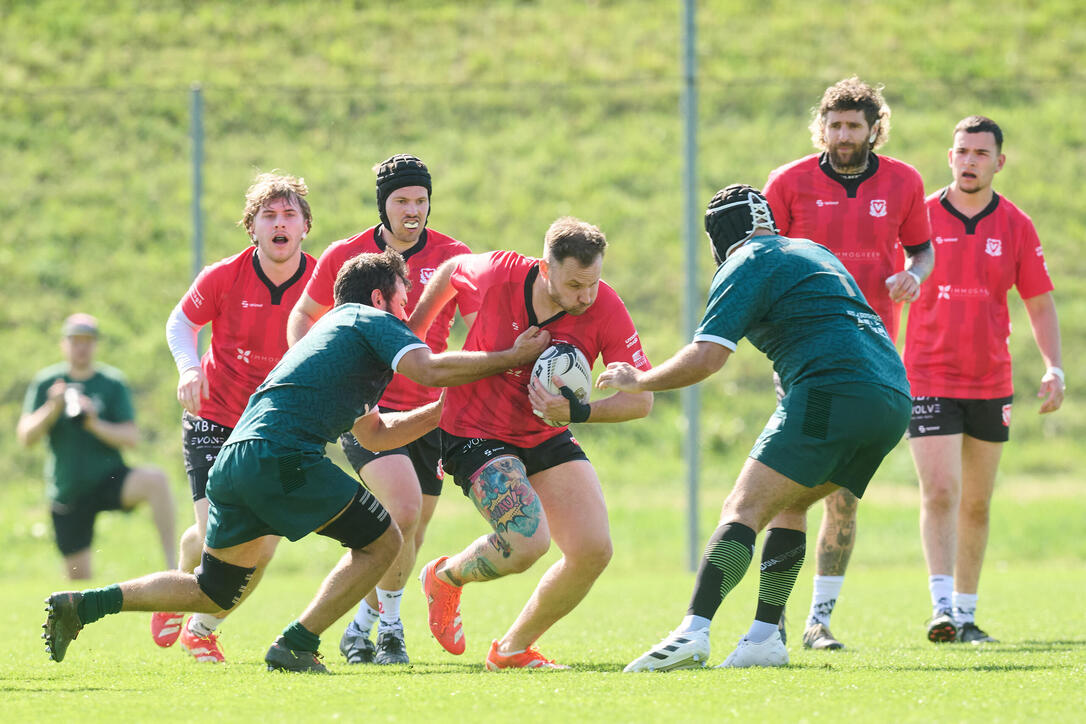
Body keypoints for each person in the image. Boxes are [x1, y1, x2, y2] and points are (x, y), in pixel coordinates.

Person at [42, 250, 551, 673]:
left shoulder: (338, 333)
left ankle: (83, 605)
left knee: (212, 591)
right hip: (282, 457)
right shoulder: (372, 320)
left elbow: (374, 434)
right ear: (380, 297)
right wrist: (507, 357)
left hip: (236, 461)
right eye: (403, 297)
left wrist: (442, 411)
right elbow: (429, 367)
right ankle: (298, 643)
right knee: (384, 542)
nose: (409, 308)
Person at [608, 185, 912, 671]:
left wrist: (640, 379)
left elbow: (708, 357)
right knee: (789, 504)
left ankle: (694, 630)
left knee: (743, 507)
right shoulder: (813, 249)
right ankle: (765, 637)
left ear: (720, 234)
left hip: (833, 392)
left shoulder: (746, 259)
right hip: (893, 397)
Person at [407, 216, 653, 670]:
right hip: (473, 429)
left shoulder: (605, 307)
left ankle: (512, 649)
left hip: (546, 431)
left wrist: (577, 412)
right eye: (576, 283)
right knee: (527, 543)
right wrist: (414, 331)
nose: (586, 296)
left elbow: (641, 402)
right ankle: (444, 576)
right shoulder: (499, 272)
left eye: (593, 282)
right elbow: (450, 270)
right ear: (546, 268)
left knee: (593, 550)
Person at [762, 76, 934, 650]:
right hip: (805, 356)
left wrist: (916, 273)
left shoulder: (905, 181)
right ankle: (773, 617)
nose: (842, 136)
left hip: (871, 355)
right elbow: (764, 261)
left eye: (853, 126)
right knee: (789, 486)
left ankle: (819, 622)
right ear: (823, 127)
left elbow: (922, 248)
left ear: (872, 129)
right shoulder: (788, 183)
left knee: (843, 494)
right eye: (834, 125)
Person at [287, 154, 471, 666]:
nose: (412, 210)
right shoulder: (348, 255)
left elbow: (481, 324)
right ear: (383, 206)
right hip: (369, 408)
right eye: (401, 201)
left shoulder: (456, 256)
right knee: (403, 510)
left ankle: (360, 626)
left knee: (410, 531)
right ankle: (392, 629)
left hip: (431, 410)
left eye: (421, 200)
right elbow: (304, 315)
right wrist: (313, 370)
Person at [905, 116, 1063, 645]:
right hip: (927, 374)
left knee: (977, 501)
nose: (969, 161)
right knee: (941, 491)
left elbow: (1039, 302)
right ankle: (942, 609)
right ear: (949, 157)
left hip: (990, 380)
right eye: (961, 151)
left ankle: (968, 615)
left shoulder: (1016, 224)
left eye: (980, 153)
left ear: (999, 161)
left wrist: (1054, 366)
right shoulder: (920, 217)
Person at [153, 172, 316, 663]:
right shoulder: (224, 275)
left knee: (264, 546)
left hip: (278, 427)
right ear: (253, 228)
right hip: (215, 418)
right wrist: (187, 367)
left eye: (289, 215)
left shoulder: (320, 282)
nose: (279, 223)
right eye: (269, 215)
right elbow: (181, 321)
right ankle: (183, 580)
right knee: (216, 537)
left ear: (305, 227)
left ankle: (201, 628)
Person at [18, 315, 177, 581]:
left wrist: (94, 423)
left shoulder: (111, 382)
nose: (81, 347)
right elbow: (26, 437)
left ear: (96, 345)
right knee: (79, 580)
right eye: (75, 341)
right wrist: (52, 408)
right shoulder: (47, 382)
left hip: (109, 477)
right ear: (64, 344)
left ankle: (174, 568)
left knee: (156, 481)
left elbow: (131, 437)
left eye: (87, 341)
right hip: (68, 488)